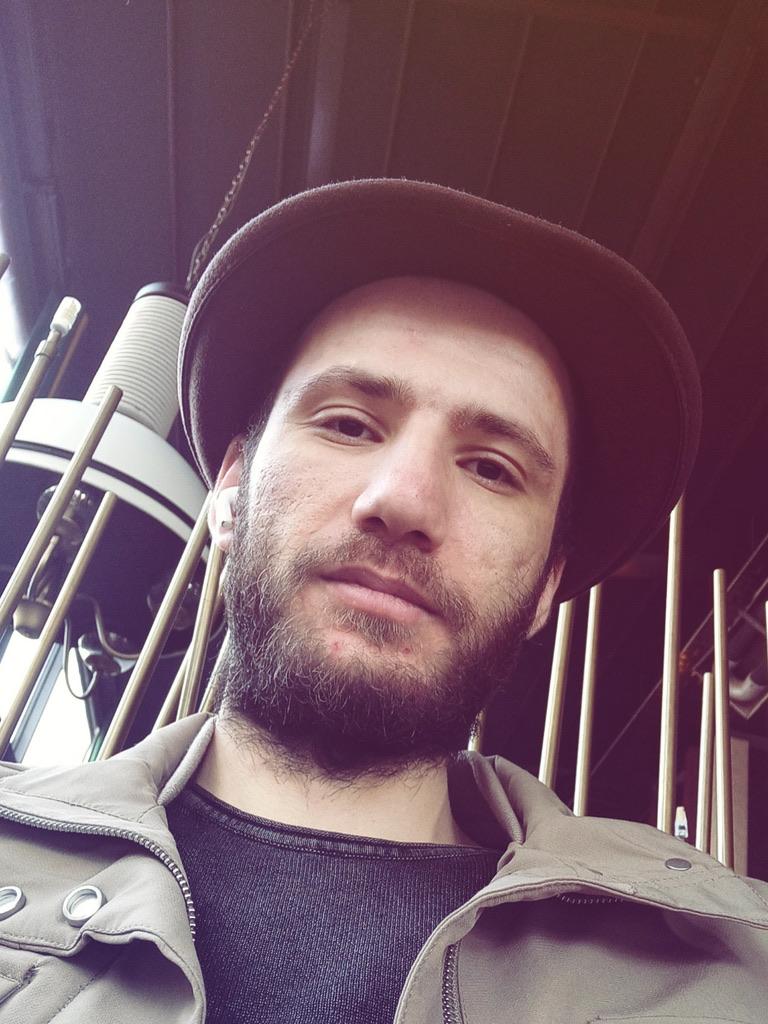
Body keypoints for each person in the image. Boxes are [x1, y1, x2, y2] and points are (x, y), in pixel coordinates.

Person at [0, 179, 765, 1024]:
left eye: (491, 469)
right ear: (230, 491)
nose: (403, 500)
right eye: (348, 424)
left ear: (547, 585)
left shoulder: (729, 973)